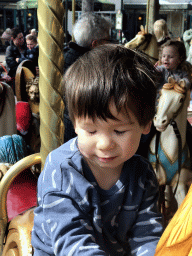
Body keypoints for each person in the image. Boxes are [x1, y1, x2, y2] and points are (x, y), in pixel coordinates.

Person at [32, 44, 163, 256]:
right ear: (75, 124)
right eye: (91, 131)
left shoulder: (142, 174)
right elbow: (71, 241)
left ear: (146, 124)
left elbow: (147, 235)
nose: (104, 144)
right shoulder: (62, 170)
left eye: (119, 131)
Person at [63, 12, 112, 143]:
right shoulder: (88, 64)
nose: (110, 44)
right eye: (108, 40)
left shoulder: (67, 56)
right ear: (95, 44)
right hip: (79, 130)